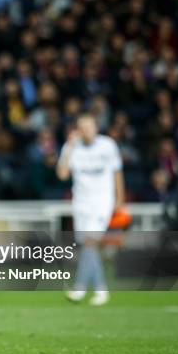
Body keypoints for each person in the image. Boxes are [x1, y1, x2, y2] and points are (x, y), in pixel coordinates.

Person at [57, 113, 125, 306]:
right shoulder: (72, 147)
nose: (86, 130)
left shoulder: (107, 145)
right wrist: (69, 147)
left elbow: (117, 171)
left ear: (96, 127)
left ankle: (79, 288)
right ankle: (101, 290)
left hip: (102, 201)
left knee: (89, 243)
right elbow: (62, 174)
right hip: (81, 202)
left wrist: (119, 198)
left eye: (89, 126)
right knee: (90, 247)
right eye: (82, 127)